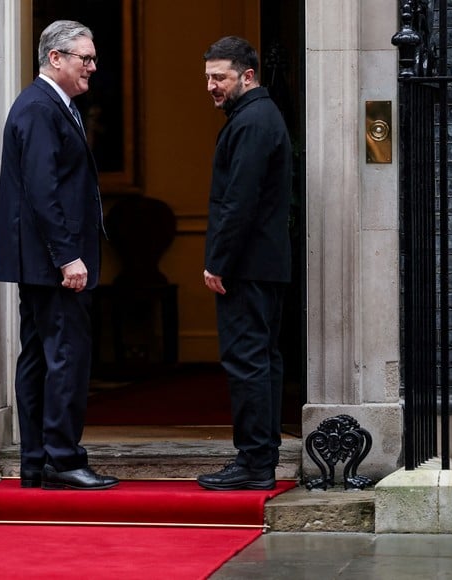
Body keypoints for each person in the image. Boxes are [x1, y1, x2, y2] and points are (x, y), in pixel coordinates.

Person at [0, 20, 119, 491]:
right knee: (65, 355)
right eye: (84, 58)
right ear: (55, 58)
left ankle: (37, 461)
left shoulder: (49, 104)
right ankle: (62, 460)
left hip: (39, 261)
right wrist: (69, 257)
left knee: (41, 359)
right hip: (53, 263)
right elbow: (43, 190)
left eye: (93, 58)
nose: (92, 66)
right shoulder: (42, 108)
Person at [198, 36, 292, 491]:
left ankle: (254, 463)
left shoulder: (252, 120)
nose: (212, 86)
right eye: (209, 78)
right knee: (262, 360)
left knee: (247, 360)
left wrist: (217, 261)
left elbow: (240, 200)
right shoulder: (256, 117)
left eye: (221, 77)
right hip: (261, 264)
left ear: (248, 76)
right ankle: (260, 458)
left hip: (247, 266)